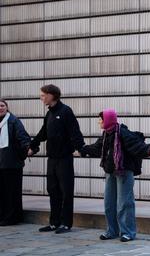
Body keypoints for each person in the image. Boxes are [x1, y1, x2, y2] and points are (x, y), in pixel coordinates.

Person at [81, 110, 150, 242]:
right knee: (109, 203)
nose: (99, 122)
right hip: (110, 171)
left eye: (101, 120)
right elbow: (97, 148)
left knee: (124, 203)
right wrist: (82, 149)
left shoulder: (123, 133)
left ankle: (128, 232)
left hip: (124, 171)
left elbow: (137, 146)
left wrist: (149, 149)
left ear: (107, 121)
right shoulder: (106, 134)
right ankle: (111, 231)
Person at [29, 84, 85, 234]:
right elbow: (43, 133)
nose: (41, 98)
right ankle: (54, 222)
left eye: (42, 95)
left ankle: (66, 223)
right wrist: (31, 146)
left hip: (65, 158)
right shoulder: (50, 114)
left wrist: (81, 149)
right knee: (52, 190)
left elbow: (75, 132)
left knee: (66, 191)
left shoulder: (65, 111)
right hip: (52, 159)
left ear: (51, 95)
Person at [0, 99, 31, 226]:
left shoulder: (13, 121)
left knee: (12, 193)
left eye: (2, 105)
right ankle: (3, 216)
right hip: (1, 164)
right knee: (2, 193)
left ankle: (12, 218)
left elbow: (23, 137)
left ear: (7, 107)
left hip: (11, 164)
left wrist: (27, 149)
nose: (0, 108)